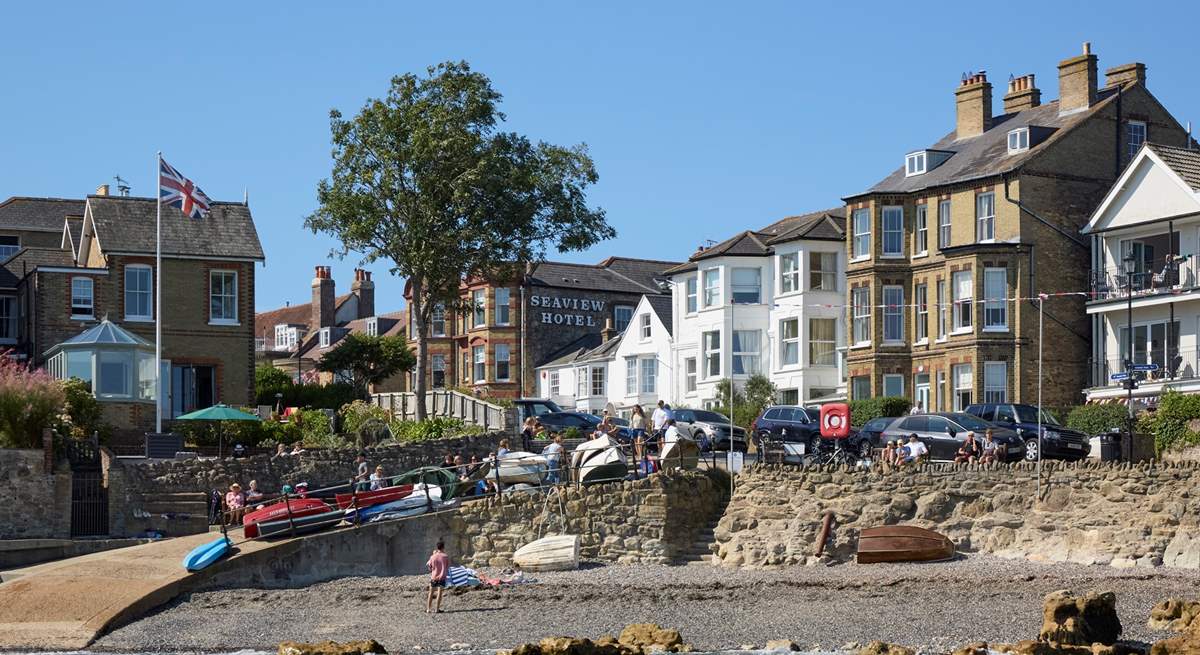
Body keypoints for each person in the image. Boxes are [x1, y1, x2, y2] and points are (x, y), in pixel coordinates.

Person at [426, 540, 450, 614]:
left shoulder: (433, 556)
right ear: (443, 547)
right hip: (442, 577)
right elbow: (447, 567)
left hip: (434, 576)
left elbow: (429, 566)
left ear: (437, 547)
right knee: (440, 592)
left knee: (431, 592)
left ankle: (428, 609)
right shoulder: (445, 556)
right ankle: (437, 609)